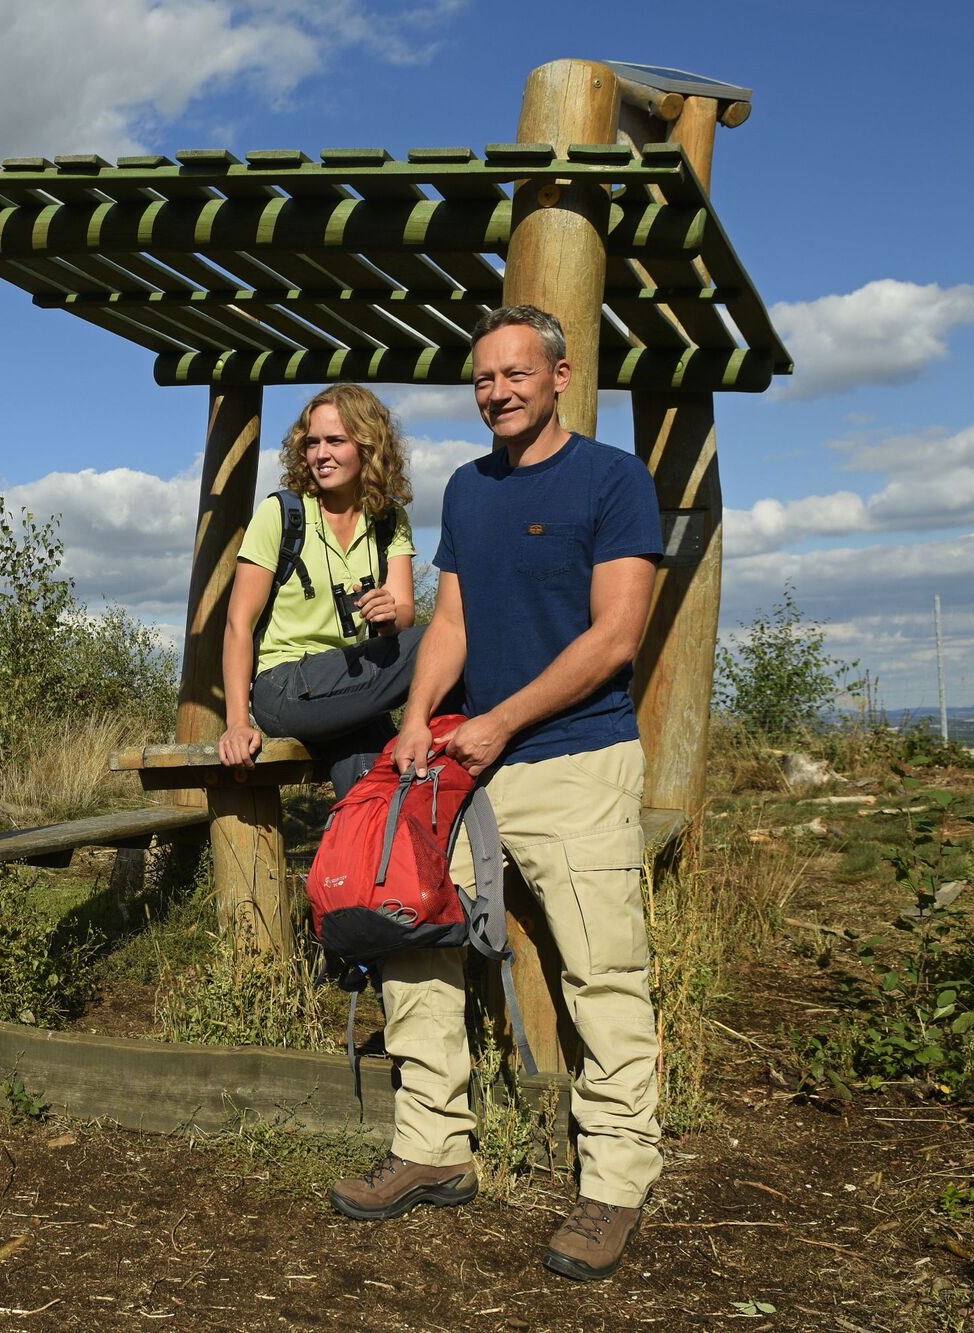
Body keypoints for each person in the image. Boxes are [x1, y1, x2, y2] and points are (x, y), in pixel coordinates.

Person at [330, 305, 664, 1284]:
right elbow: (452, 621)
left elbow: (615, 635)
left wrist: (502, 719)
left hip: (575, 763)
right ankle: (433, 1145)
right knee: (411, 930)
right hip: (469, 767)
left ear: (559, 376)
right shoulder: (467, 490)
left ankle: (615, 1180)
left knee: (602, 971)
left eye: (516, 373)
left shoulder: (612, 480)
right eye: (483, 378)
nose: (497, 391)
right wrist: (415, 716)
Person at [218, 384, 421, 798]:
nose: (320, 454)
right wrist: (237, 722)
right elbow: (239, 624)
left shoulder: (389, 520)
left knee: (377, 786)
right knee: (443, 640)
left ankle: (361, 841)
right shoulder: (281, 513)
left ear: (369, 445)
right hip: (284, 687)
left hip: (353, 688)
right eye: (312, 443)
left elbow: (404, 613)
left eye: (335, 441)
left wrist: (388, 615)